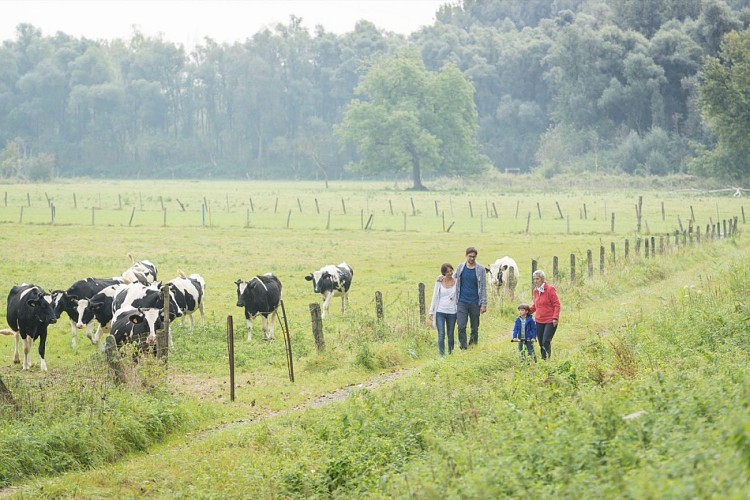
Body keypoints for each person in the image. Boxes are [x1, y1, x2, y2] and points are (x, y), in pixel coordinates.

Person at [453, 246, 488, 349]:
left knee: (474, 327)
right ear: (466, 256)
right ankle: (463, 346)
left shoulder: (480, 269)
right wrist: (442, 277)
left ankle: (473, 345)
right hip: (462, 301)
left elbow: (483, 287)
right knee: (461, 325)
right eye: (470, 256)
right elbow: (452, 278)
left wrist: (484, 304)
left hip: (475, 302)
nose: (472, 259)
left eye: (474, 257)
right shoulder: (460, 267)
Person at [529, 270, 561, 360]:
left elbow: (557, 304)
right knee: (540, 342)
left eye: (537, 279)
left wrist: (555, 317)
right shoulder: (535, 290)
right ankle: (544, 360)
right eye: (534, 279)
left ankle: (546, 360)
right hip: (539, 320)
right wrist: (527, 312)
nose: (535, 281)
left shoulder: (550, 289)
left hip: (550, 320)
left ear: (542, 279)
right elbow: (536, 305)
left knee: (546, 341)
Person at [428, 263, 457, 357]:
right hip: (440, 311)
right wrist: (431, 311)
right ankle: (442, 355)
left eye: (451, 270)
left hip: (452, 311)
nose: (450, 273)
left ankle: (451, 353)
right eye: (447, 271)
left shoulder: (457, 281)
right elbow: (435, 296)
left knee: (450, 333)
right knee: (441, 334)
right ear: (444, 273)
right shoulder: (439, 282)